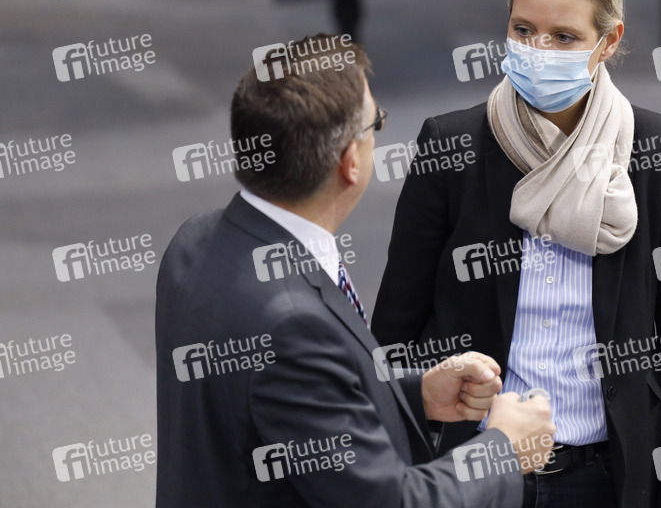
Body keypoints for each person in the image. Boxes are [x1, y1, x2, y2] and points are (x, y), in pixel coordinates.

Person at [372, 0, 661, 508]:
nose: (538, 50)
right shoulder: (453, 145)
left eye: (564, 37)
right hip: (477, 469)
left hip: (605, 473)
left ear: (609, 41)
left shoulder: (659, 150)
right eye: (523, 30)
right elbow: (396, 328)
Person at [155, 33, 555, 508]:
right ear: (350, 162)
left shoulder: (193, 240)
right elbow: (393, 501)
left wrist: (415, 393)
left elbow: (286, 403)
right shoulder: (293, 325)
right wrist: (504, 450)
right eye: (376, 123)